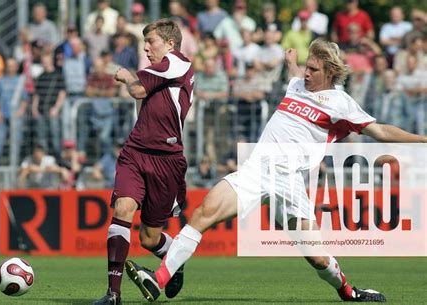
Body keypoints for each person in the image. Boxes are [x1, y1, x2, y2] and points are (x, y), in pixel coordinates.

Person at [125, 38, 427, 303]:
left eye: (313, 69)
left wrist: (422, 139)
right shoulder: (297, 83)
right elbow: (296, 73)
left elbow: (382, 131)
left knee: (317, 257)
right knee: (205, 213)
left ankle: (348, 290)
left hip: (291, 182)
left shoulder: (341, 104)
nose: (306, 73)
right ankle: (159, 279)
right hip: (257, 169)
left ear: (330, 73)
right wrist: (292, 62)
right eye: (306, 67)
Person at [93, 18, 194, 305]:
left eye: (151, 42)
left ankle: (174, 258)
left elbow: (137, 89)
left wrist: (125, 75)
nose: (146, 48)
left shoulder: (178, 64)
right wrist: (133, 81)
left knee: (149, 238)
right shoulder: (159, 70)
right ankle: (113, 293)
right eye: (145, 42)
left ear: (171, 44)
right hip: (136, 152)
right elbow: (142, 96)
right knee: (123, 207)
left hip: (167, 160)